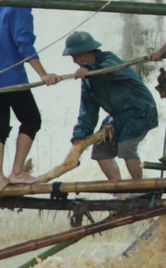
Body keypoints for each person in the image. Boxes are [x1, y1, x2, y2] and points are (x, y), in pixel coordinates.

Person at [0, 0, 62, 189]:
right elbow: (24, 45)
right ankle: (17, 171)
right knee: (32, 120)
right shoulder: (21, 8)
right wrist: (44, 74)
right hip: (13, 78)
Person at [64, 30, 160, 182]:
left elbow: (111, 70)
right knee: (100, 150)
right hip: (118, 116)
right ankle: (120, 192)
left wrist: (90, 67)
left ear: (86, 52)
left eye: (75, 56)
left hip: (139, 111)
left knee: (126, 148)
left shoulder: (109, 59)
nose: (74, 61)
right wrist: (81, 132)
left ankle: (139, 187)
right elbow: (88, 108)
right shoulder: (88, 78)